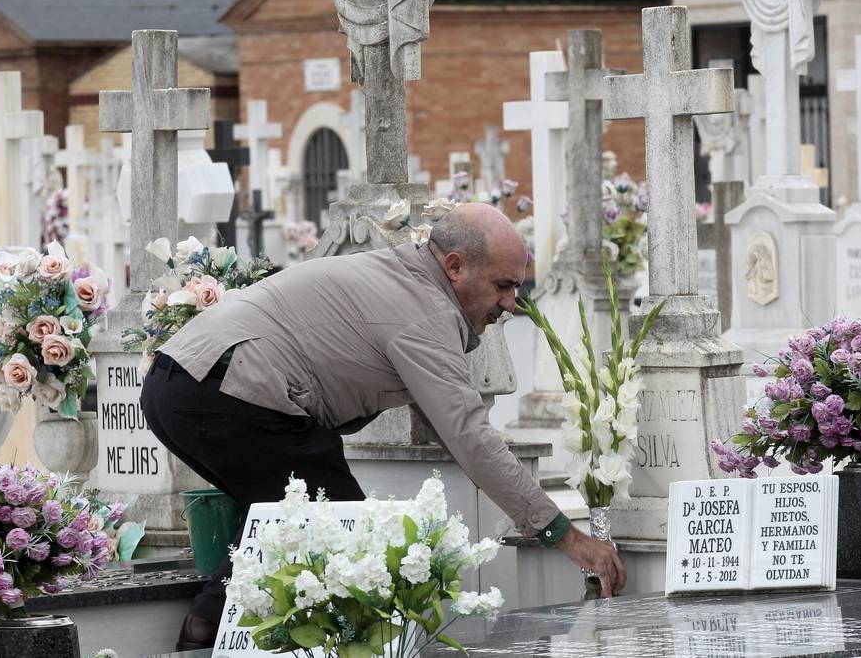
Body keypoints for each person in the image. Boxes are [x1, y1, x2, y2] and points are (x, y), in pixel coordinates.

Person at [141, 203, 625, 650]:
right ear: (454, 267)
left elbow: (448, 423)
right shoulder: (426, 314)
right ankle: (208, 630)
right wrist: (565, 535)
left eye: (517, 287)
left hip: (181, 383)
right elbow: (470, 436)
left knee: (287, 526)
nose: (512, 304)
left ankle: (206, 628)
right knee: (344, 532)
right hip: (227, 392)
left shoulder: (404, 278)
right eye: (502, 286)